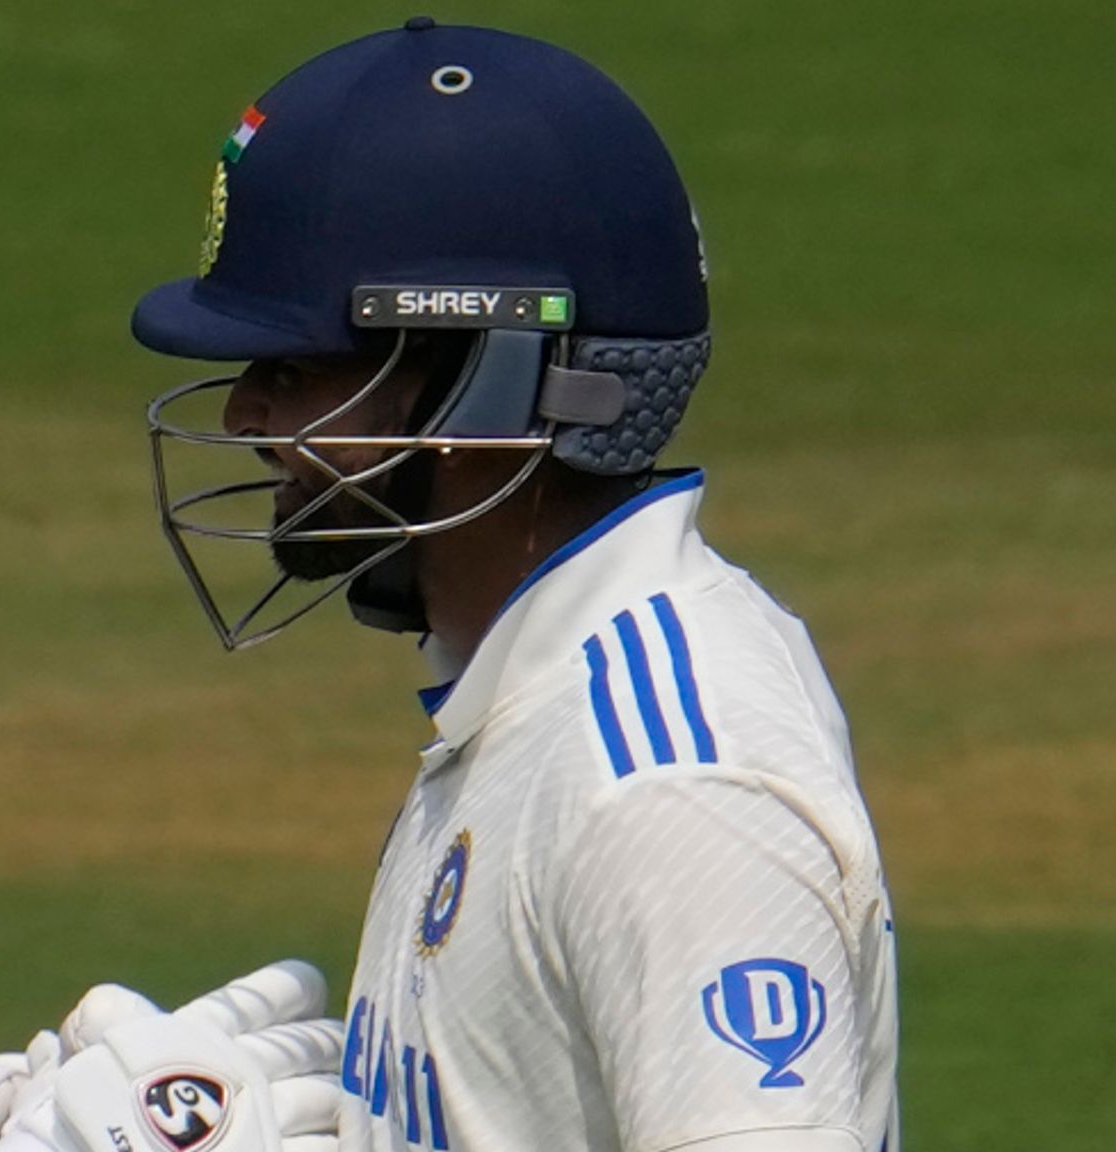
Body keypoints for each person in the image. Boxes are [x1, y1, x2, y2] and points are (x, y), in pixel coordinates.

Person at [127, 18, 901, 1152]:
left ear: (490, 380)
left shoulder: (662, 788)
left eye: (297, 371)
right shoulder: (530, 705)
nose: (246, 416)